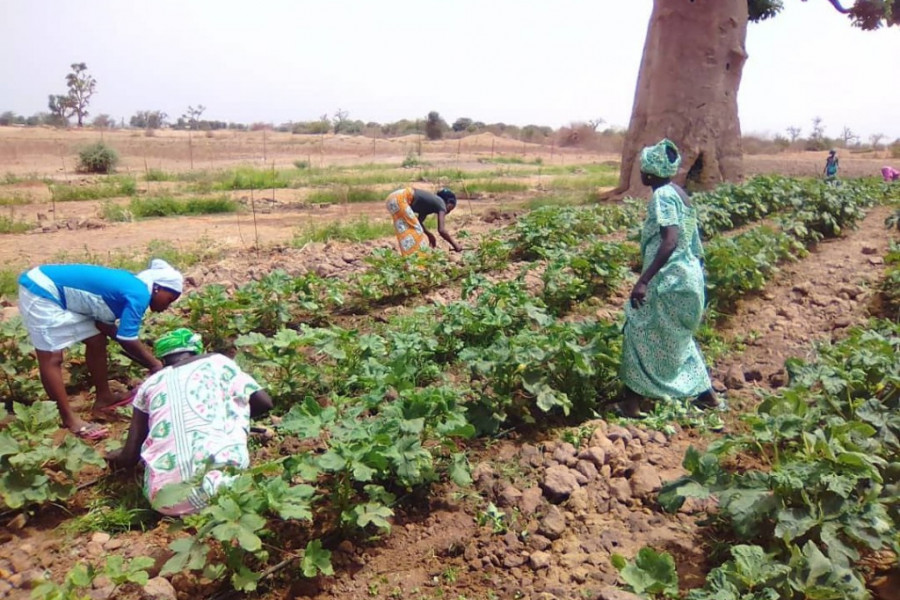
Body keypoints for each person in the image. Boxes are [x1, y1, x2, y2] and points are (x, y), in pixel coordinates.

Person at [106, 328, 273, 516]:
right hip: (227, 488)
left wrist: (114, 458)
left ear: (162, 360)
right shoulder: (218, 362)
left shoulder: (149, 385)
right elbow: (264, 403)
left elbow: (129, 457)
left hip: (166, 501)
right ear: (197, 350)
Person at [17, 258, 183, 439]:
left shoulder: (134, 287)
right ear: (157, 288)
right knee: (51, 356)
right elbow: (127, 338)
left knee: (96, 339)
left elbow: (106, 327)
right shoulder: (139, 294)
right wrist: (155, 365)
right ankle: (69, 418)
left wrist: (147, 359)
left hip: (56, 291)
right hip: (41, 289)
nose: (168, 306)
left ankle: (104, 397)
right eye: (169, 299)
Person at [618, 139, 717, 417]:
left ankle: (632, 402)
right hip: (687, 276)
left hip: (669, 279)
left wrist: (644, 280)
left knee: (636, 328)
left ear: (650, 172)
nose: (640, 173)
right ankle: (705, 395)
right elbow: (692, 241)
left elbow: (670, 240)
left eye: (642, 168)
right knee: (678, 337)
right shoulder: (678, 192)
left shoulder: (662, 195)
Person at [386, 187, 462, 256]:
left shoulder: (429, 204)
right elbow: (441, 230)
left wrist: (429, 235)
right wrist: (455, 245)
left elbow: (419, 223)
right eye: (450, 208)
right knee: (414, 231)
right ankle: (416, 259)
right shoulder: (441, 203)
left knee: (405, 230)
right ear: (448, 202)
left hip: (393, 197)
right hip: (401, 198)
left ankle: (409, 257)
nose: (448, 212)